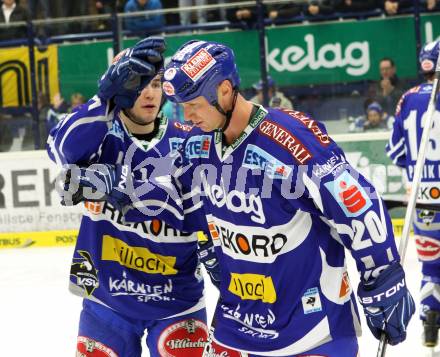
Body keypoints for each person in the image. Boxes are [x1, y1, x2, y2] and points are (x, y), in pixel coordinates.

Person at [60, 39, 415, 356]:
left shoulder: (290, 139)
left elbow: (356, 202)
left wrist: (382, 276)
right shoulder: (197, 146)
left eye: (195, 104)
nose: (187, 116)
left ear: (226, 91)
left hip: (311, 329)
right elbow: (170, 196)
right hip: (235, 330)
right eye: (181, 106)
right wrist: (111, 183)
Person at [47, 38, 215, 357]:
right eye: (138, 85)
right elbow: (59, 152)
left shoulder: (189, 139)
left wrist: (126, 185)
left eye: (155, 83)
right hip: (107, 301)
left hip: (176, 302)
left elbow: (201, 214)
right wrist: (103, 100)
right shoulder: (99, 133)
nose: (150, 93)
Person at [386, 40, 440, 347]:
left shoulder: (408, 98)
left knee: (431, 265)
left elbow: (396, 151)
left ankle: (430, 320)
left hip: (422, 198)